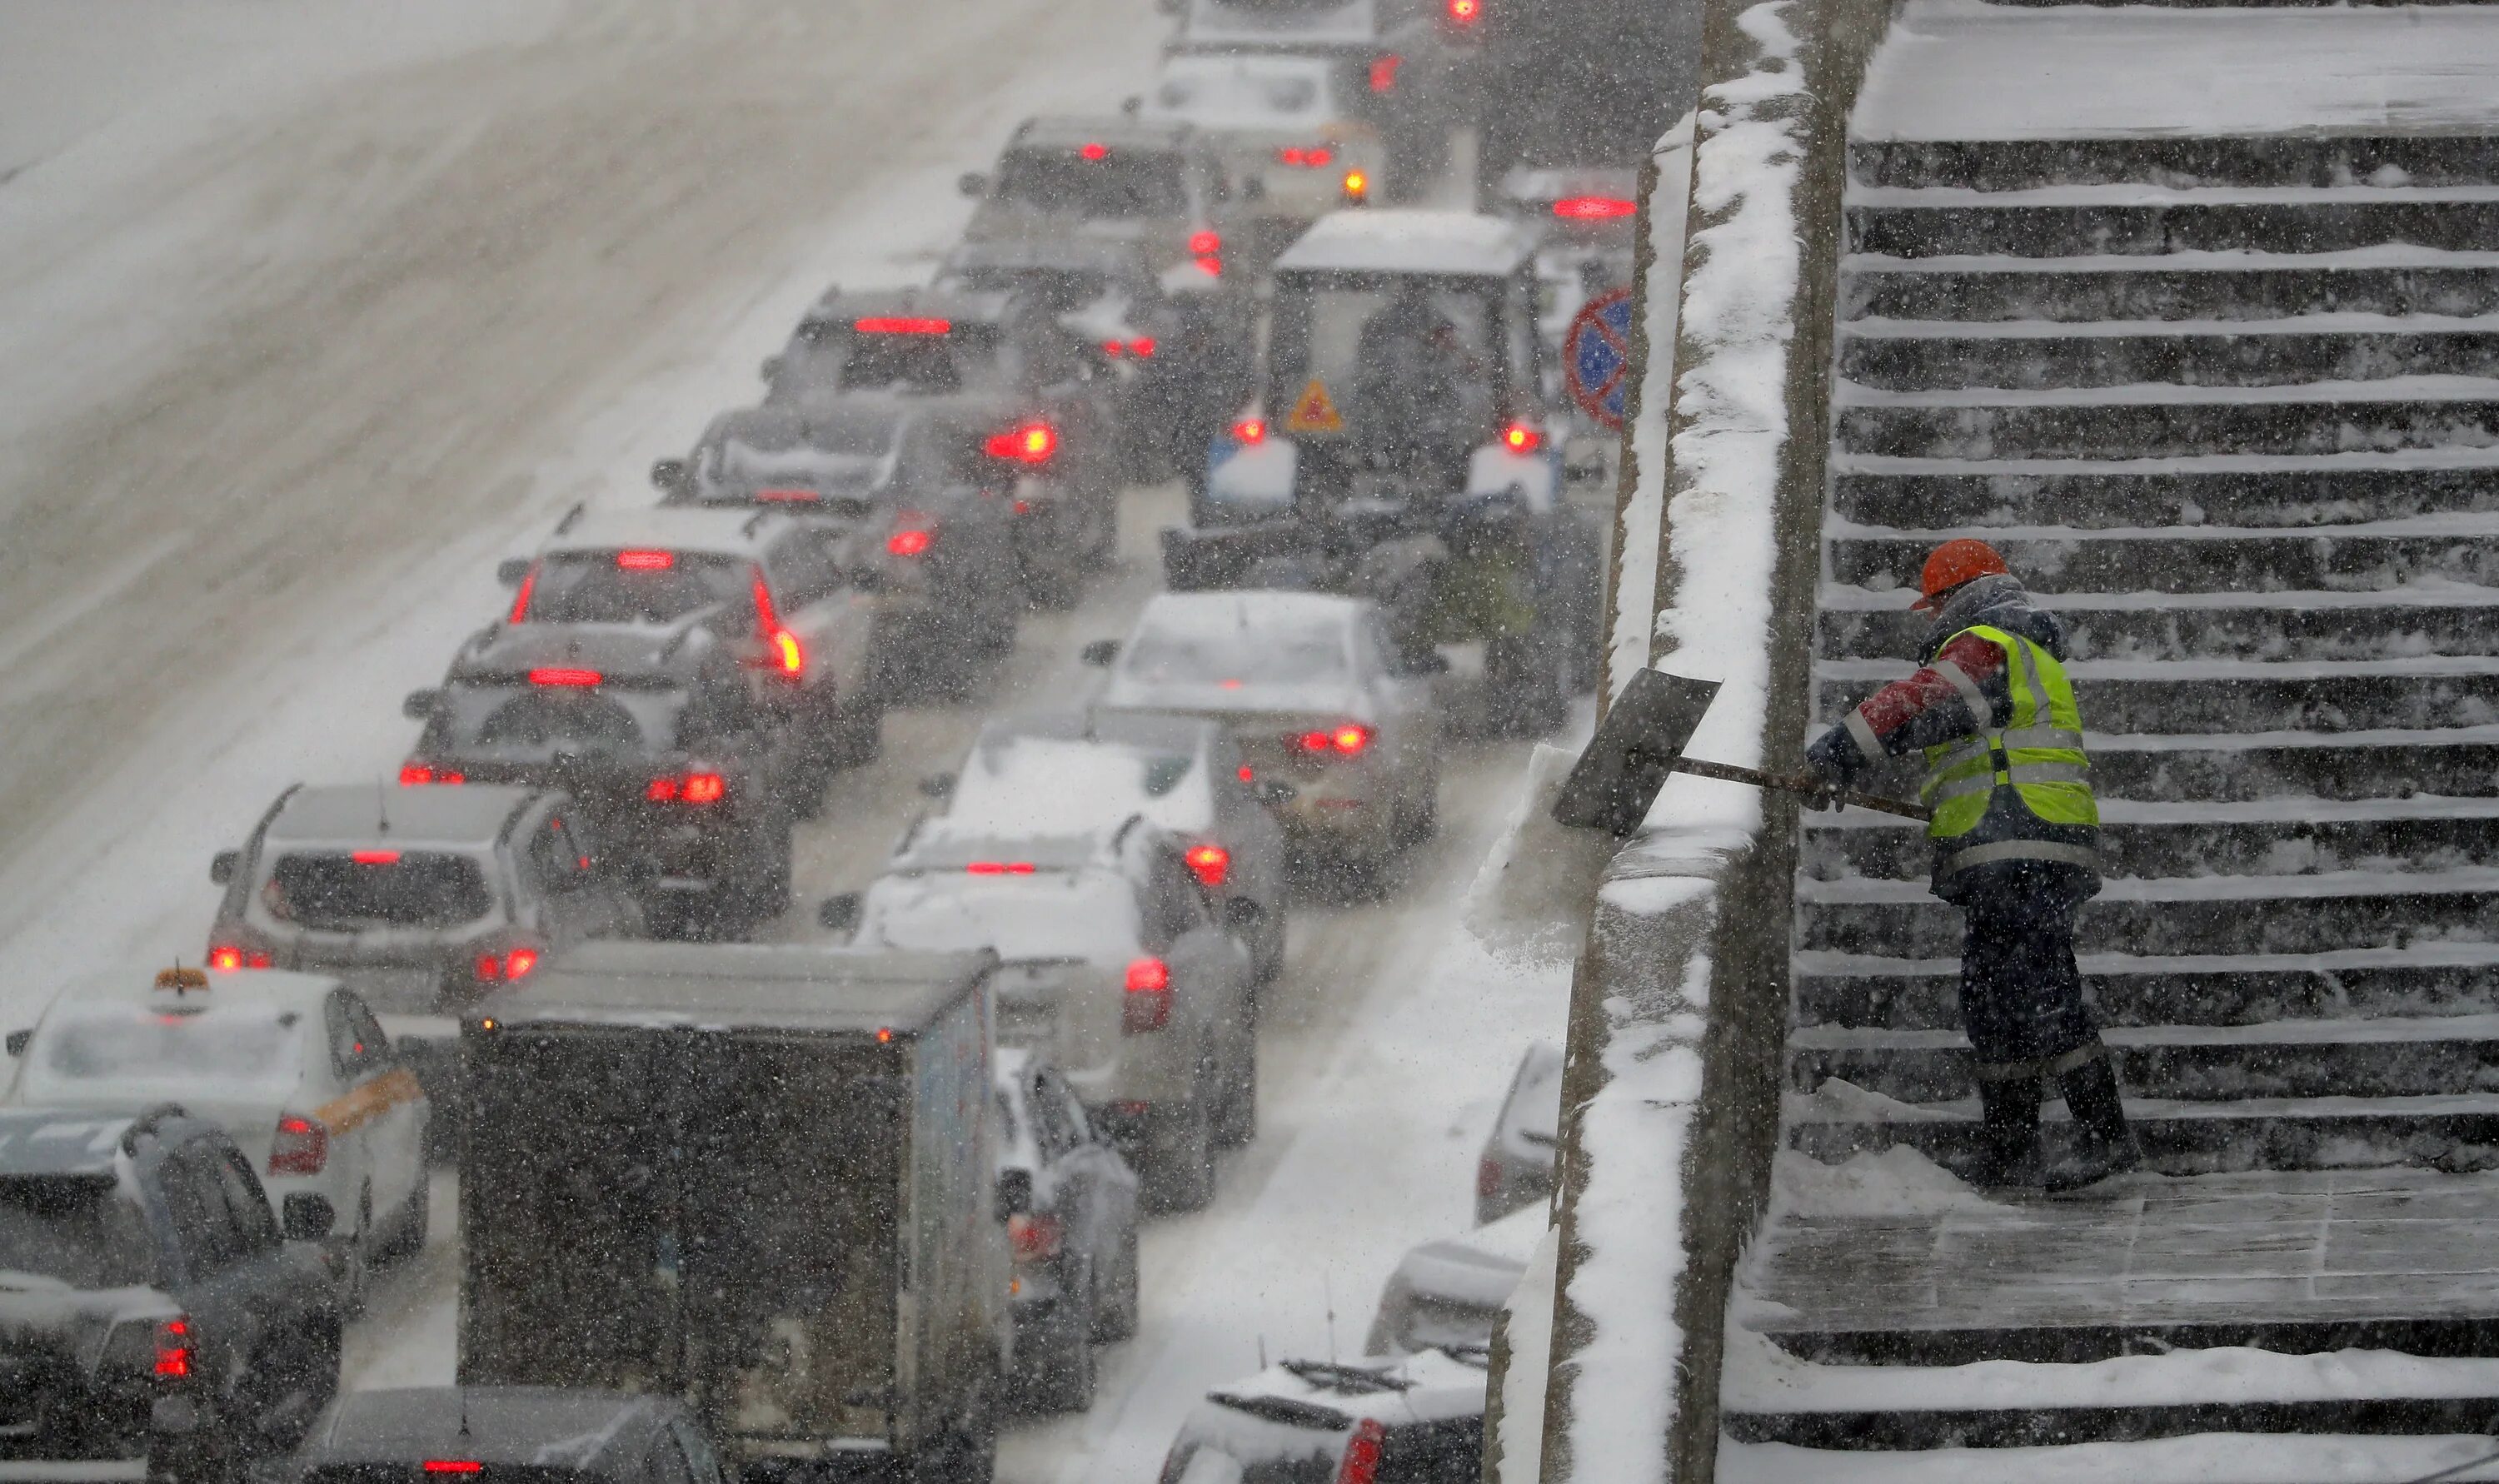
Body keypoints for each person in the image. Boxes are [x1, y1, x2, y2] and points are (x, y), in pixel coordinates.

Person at [1803, 538, 2138, 1193]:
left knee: (2040, 990)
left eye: (1933, 606)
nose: (1929, 620)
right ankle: (2011, 1148)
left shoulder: (1990, 641)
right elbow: (1949, 729)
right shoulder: (2011, 649)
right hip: (2011, 846)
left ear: (1956, 597)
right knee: (1993, 999)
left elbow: (1920, 702)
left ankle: (2106, 1138)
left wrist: (1837, 753)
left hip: (2024, 842)